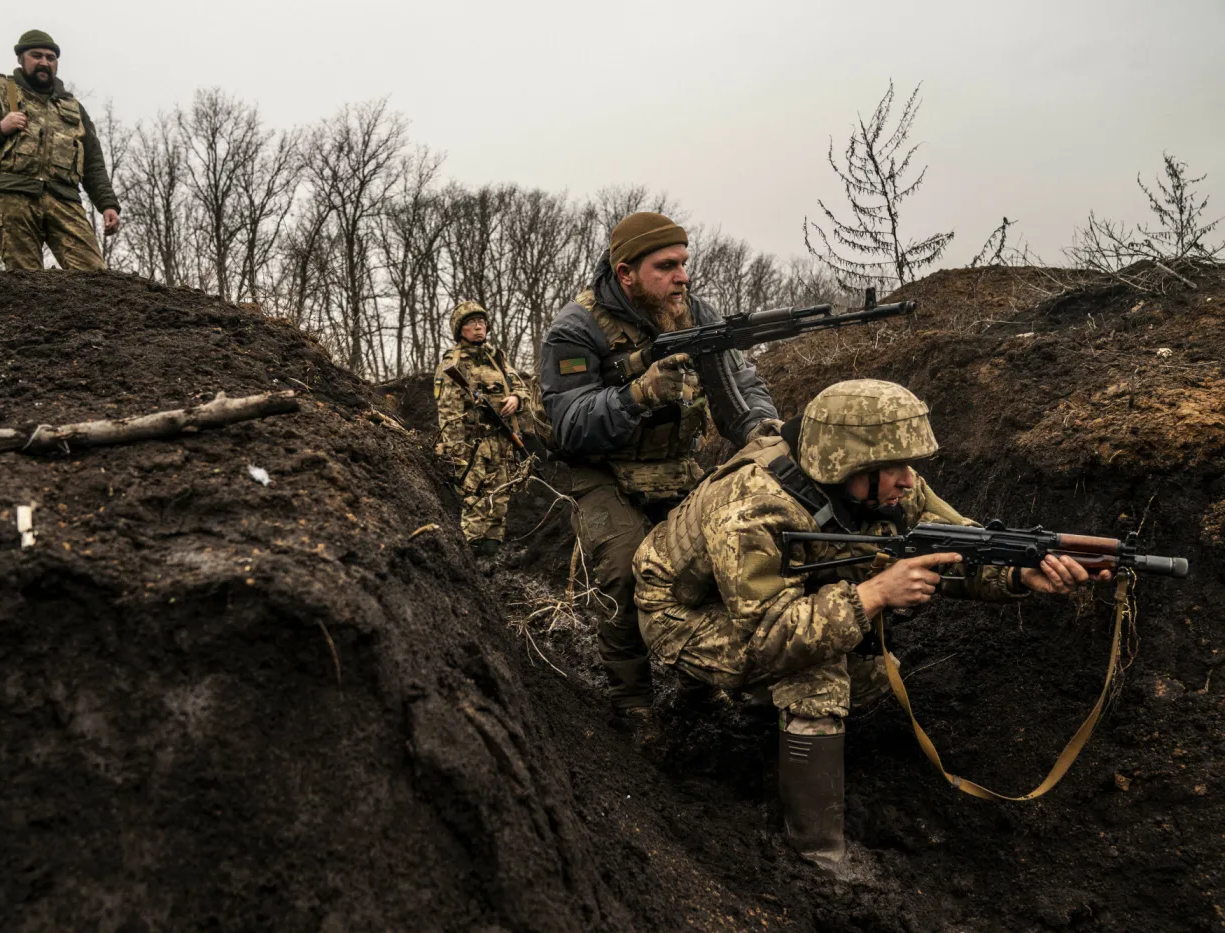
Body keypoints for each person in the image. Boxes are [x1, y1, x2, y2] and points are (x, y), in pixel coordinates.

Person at [632, 379, 1108, 867]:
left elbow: (957, 544)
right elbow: (769, 636)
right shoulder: (752, 505)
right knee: (816, 675)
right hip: (681, 613)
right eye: (894, 467)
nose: (909, 480)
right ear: (847, 462)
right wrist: (876, 593)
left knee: (876, 676)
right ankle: (818, 856)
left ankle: (760, 717)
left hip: (770, 603)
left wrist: (1017, 571)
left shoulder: (884, 487)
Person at [539, 211, 779, 727]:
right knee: (625, 573)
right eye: (666, 266)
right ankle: (634, 705)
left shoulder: (697, 313)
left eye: (684, 264)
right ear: (626, 274)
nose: (683, 277)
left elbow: (740, 389)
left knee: (721, 562)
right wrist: (636, 394)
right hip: (602, 472)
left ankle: (703, 684)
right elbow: (568, 426)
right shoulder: (575, 328)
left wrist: (762, 428)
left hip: (675, 466)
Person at [0, 30, 120, 272]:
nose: (44, 62)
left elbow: (92, 162)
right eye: (36, 55)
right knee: (25, 283)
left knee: (94, 276)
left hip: (64, 199)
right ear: (20, 58)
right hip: (15, 196)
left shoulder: (72, 107)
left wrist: (107, 204)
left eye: (50, 58)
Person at [434, 301, 527, 557]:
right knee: (473, 501)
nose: (478, 327)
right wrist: (456, 453)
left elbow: (521, 387)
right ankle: (471, 559)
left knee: (500, 500)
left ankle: (492, 557)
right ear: (459, 330)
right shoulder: (452, 364)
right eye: (470, 323)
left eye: (481, 322)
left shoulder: (497, 358)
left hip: (502, 442)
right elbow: (448, 412)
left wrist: (516, 399)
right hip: (473, 445)